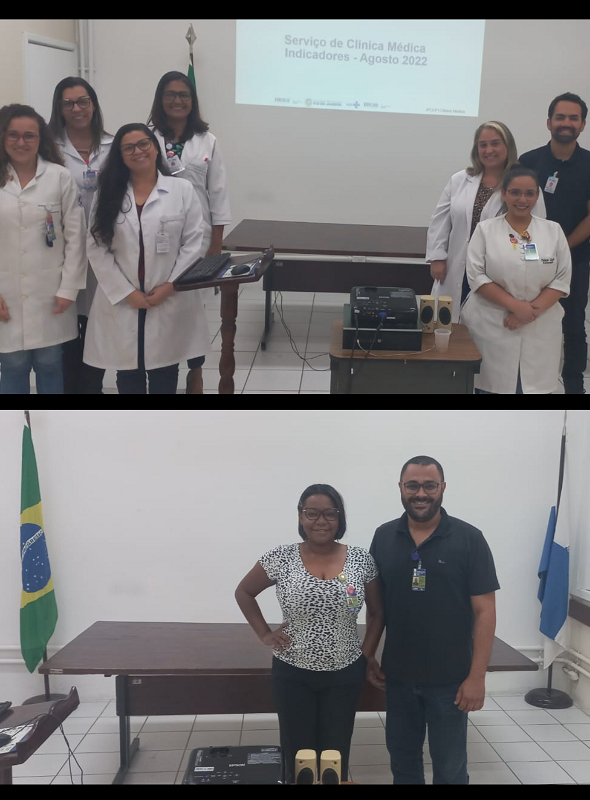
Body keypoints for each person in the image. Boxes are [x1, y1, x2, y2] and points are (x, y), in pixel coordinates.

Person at [235, 485, 384, 784]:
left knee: (335, 754)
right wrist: (265, 634)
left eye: (330, 513)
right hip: (292, 672)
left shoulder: (360, 559)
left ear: (339, 518)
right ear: (301, 517)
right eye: (312, 513)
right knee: (298, 755)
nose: (321, 521)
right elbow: (244, 592)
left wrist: (365, 656)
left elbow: (377, 612)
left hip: (345, 673)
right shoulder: (282, 557)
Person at [366, 456, 499, 785]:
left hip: (451, 681)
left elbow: (485, 612)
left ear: (442, 488)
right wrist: (369, 654)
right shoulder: (383, 537)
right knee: (403, 761)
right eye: (412, 485)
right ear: (401, 488)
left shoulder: (469, 539)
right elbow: (375, 608)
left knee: (451, 767)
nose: (420, 493)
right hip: (397, 677)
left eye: (429, 485)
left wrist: (477, 677)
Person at [0, 104, 86, 394]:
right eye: (13, 135)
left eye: (29, 136)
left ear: (40, 139)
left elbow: (76, 238)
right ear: (0, 138)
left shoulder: (59, 177)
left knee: (51, 362)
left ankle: (50, 427)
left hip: (52, 292)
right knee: (13, 364)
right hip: (3, 293)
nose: (21, 142)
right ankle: (15, 429)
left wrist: (69, 289)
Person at [84, 124, 209, 394]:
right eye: (128, 147)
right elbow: (96, 247)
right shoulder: (108, 193)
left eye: (144, 144)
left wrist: (171, 285)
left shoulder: (181, 189)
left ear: (155, 147)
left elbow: (193, 242)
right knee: (128, 374)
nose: (138, 151)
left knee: (165, 371)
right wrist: (126, 292)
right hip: (124, 299)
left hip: (167, 296)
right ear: (120, 155)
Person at [517, 93, 590, 394]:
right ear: (549, 122)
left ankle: (574, 388)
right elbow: (516, 211)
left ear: (582, 125)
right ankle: (523, 383)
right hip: (529, 255)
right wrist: (537, 250)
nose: (566, 123)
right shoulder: (529, 161)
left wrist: (561, 249)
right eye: (560, 117)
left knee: (572, 327)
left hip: (574, 259)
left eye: (573, 118)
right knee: (527, 317)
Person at [148, 71, 232, 394]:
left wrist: (216, 247)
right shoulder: (149, 137)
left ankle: (195, 372)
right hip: (159, 237)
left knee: (193, 313)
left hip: (198, 240)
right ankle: (164, 367)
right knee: (165, 308)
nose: (177, 100)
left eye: (184, 95)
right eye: (170, 94)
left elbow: (219, 194)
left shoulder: (207, 140)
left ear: (192, 101)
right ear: (161, 99)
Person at [461, 167, 572, 394]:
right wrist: (516, 307)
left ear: (537, 196)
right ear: (504, 194)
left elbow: (561, 279)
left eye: (529, 193)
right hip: (492, 325)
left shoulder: (553, 231)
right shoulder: (485, 230)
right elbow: (476, 276)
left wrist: (527, 313)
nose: (522, 199)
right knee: (491, 388)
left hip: (539, 326)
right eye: (515, 193)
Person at [48, 77, 114, 394]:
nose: (77, 108)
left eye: (83, 101)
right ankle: (69, 391)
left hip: (104, 250)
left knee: (96, 325)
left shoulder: (113, 146)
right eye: (68, 103)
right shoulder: (48, 149)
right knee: (64, 328)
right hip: (61, 252)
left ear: (93, 104)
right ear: (59, 108)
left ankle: (91, 390)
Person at [426, 121, 523, 322]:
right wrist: (437, 256)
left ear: (508, 146)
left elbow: (534, 231)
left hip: (497, 270)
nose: (489, 150)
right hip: (456, 265)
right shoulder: (460, 179)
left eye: (495, 143)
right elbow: (440, 220)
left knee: (485, 325)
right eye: (483, 144)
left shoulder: (521, 183)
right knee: (448, 323)